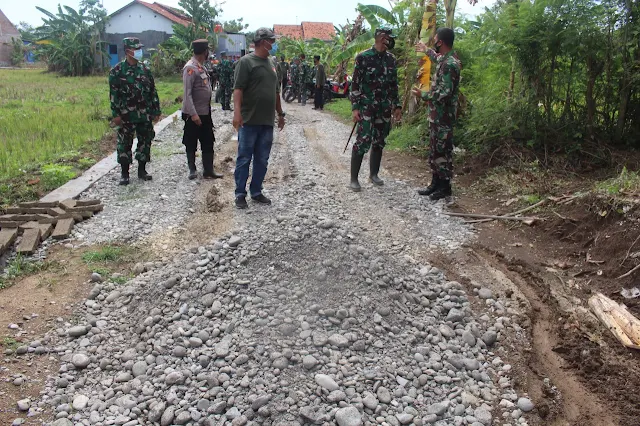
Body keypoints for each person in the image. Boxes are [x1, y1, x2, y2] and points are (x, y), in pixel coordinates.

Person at [232, 28, 286, 209]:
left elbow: (276, 92)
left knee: (262, 159)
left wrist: (280, 114)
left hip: (266, 121)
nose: (274, 43)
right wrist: (237, 113)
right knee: (244, 158)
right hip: (249, 120)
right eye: (272, 40)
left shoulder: (272, 63)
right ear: (263, 42)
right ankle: (240, 194)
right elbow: (238, 89)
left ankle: (256, 191)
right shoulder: (246, 62)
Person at [348, 27, 401, 192]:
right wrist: (355, 108)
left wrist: (396, 105)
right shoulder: (363, 57)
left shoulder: (391, 59)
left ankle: (373, 174)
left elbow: (394, 85)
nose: (390, 41)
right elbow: (355, 84)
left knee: (379, 141)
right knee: (363, 141)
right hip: (366, 107)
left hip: (384, 108)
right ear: (380, 37)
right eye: (388, 37)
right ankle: (354, 179)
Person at [413, 27, 461, 201]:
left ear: (441, 42)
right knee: (435, 149)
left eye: (435, 39)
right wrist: (426, 50)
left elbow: (444, 93)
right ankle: (435, 182)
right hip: (436, 116)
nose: (434, 40)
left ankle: (445, 187)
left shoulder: (451, 65)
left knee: (443, 151)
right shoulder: (444, 59)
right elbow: (436, 57)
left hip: (444, 117)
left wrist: (423, 95)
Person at [109, 37, 160, 186]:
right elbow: (113, 95)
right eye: (136, 49)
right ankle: (125, 173)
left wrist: (156, 110)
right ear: (127, 51)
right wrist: (116, 114)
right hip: (126, 115)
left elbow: (152, 91)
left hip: (144, 113)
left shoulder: (145, 70)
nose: (139, 51)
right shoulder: (117, 71)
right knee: (124, 143)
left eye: (139, 48)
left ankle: (142, 170)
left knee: (145, 141)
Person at [181, 39, 224, 181]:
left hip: (205, 112)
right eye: (208, 51)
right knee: (191, 141)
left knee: (208, 140)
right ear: (204, 52)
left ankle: (208, 170)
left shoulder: (201, 67)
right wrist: (193, 114)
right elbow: (187, 95)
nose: (208, 53)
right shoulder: (190, 68)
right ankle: (192, 169)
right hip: (194, 114)